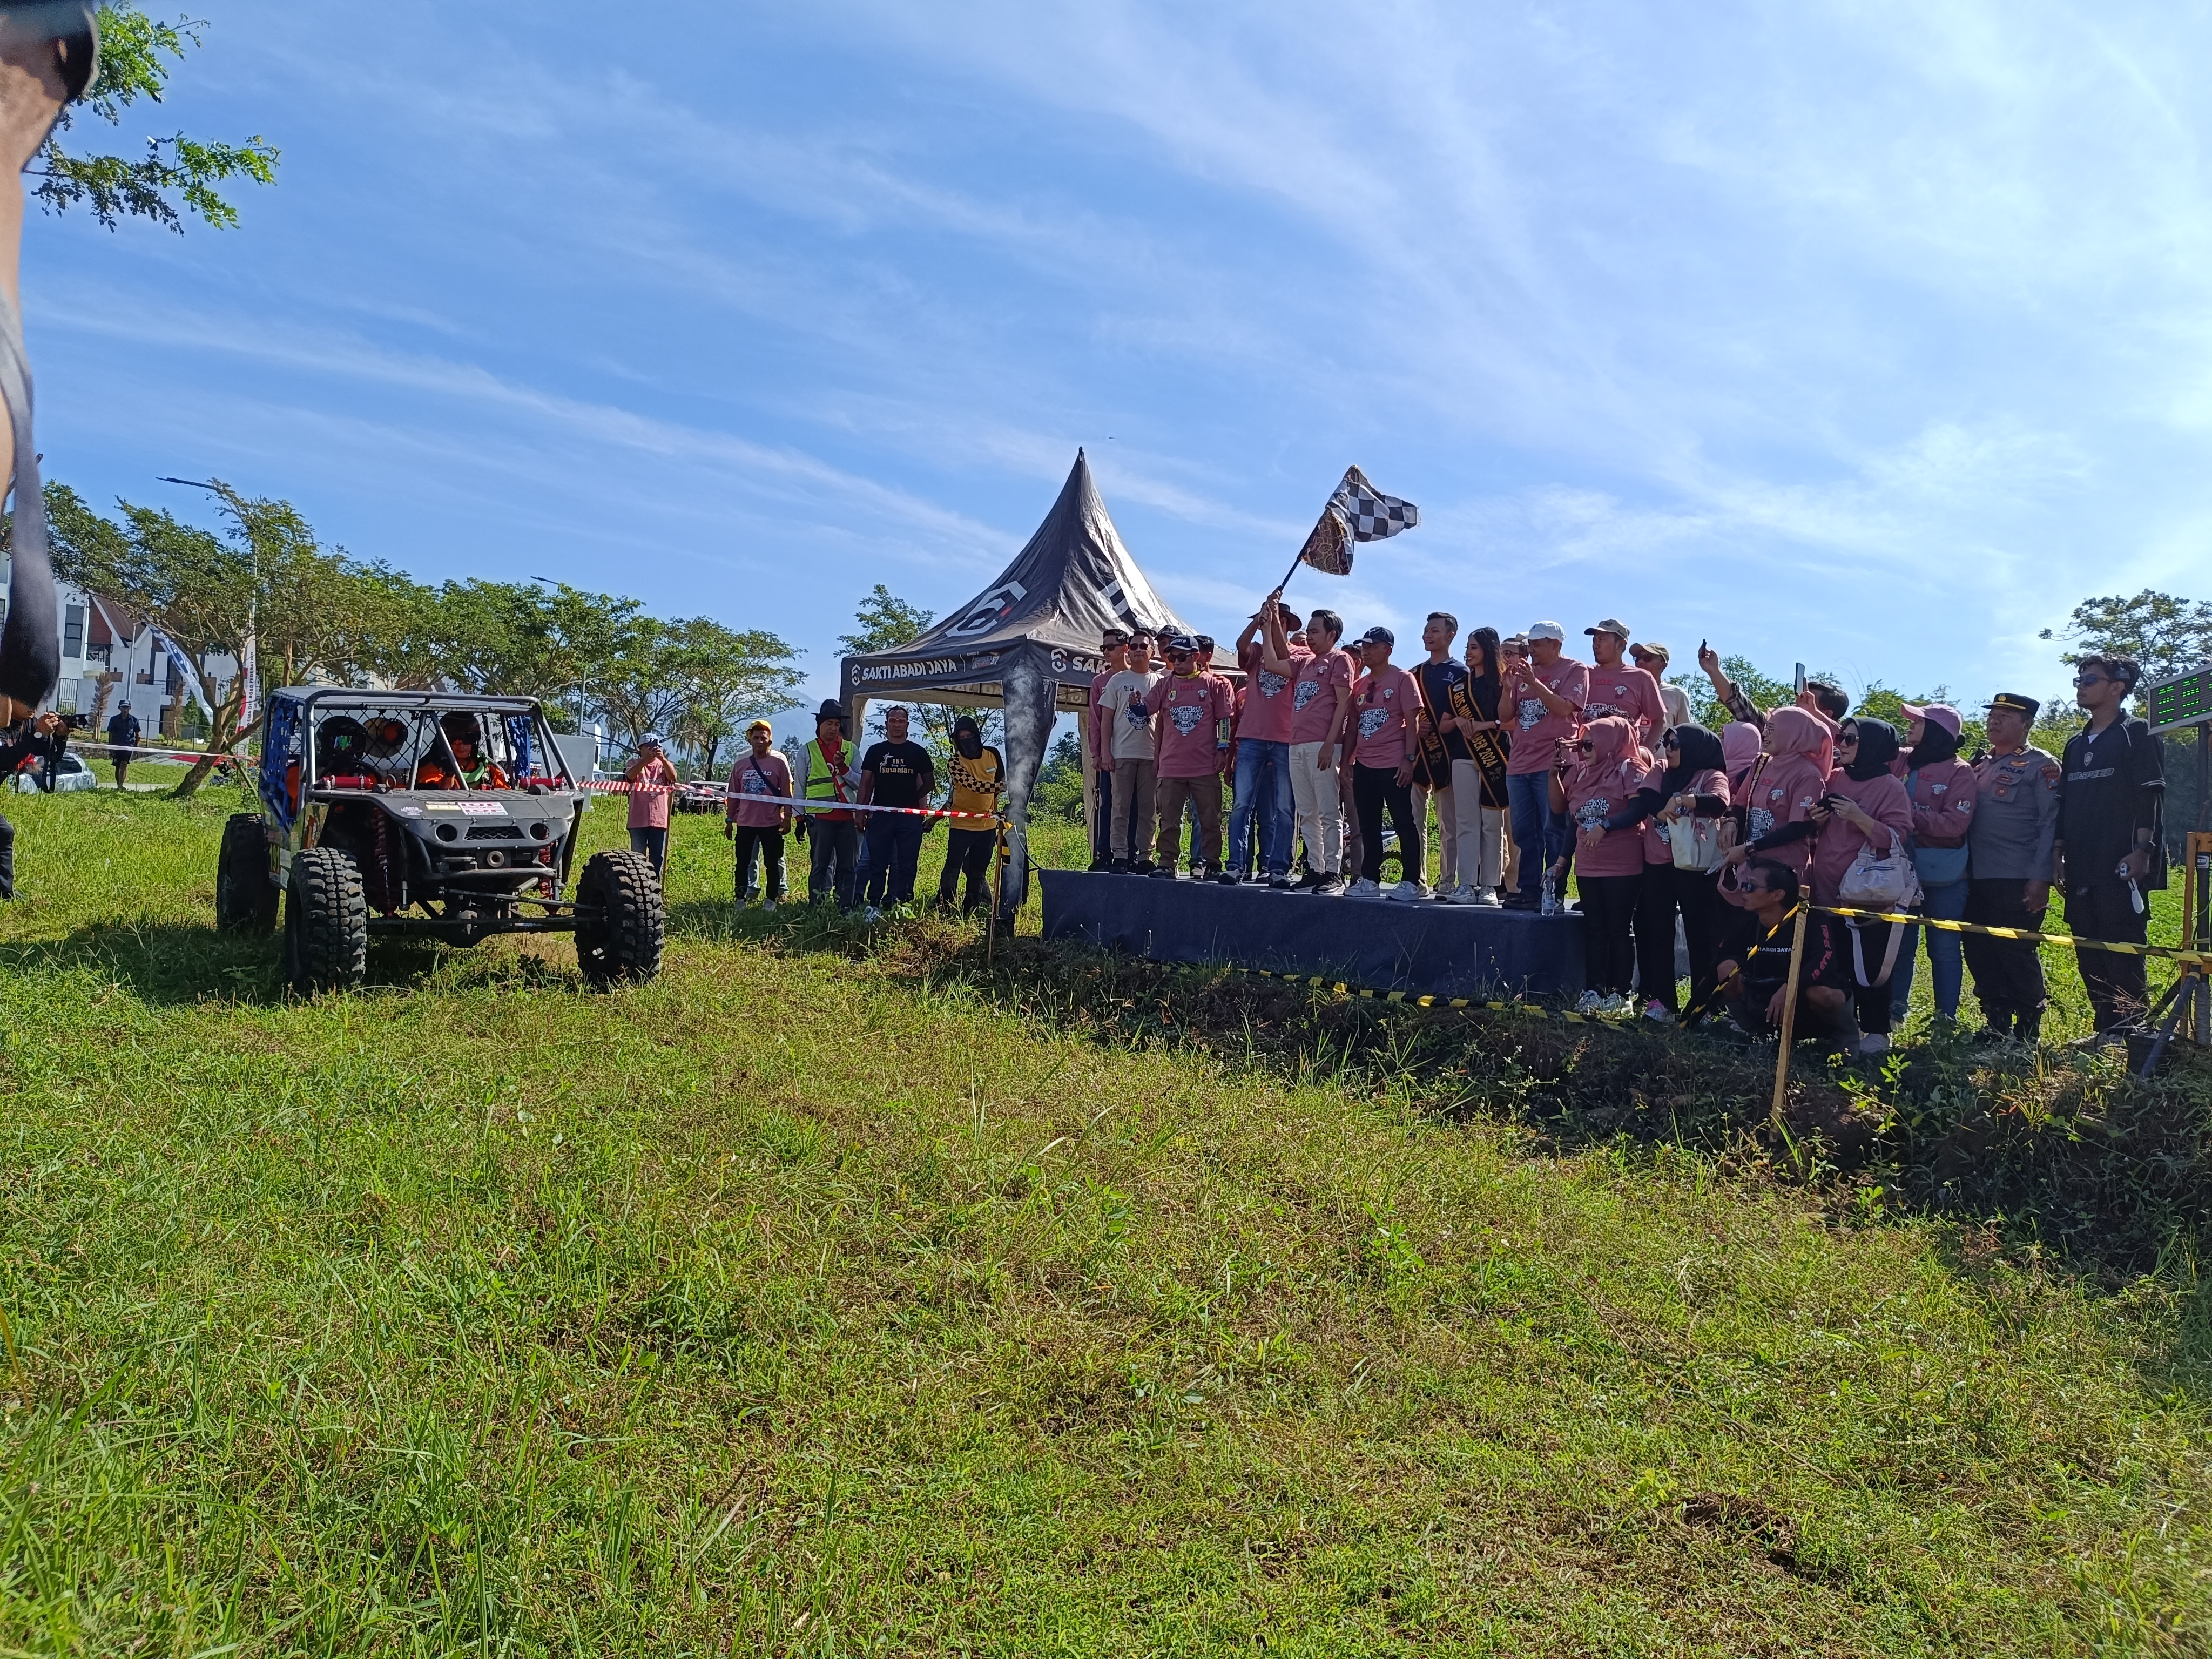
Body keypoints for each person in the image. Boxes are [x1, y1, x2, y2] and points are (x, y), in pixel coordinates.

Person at [2056, 655, 2166, 1037]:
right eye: (2080, 680)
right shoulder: (2074, 744)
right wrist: (2059, 853)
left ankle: (2131, 1030)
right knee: (2088, 949)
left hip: (2121, 863)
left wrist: (2143, 850)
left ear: (2117, 686)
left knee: (2123, 948)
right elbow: (2064, 803)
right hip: (2081, 864)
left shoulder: (2137, 732)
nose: (2081, 686)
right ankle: (2104, 1028)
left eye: (2090, 679)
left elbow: (2149, 797)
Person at [1803, 718, 1917, 1055]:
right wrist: (1817, 817)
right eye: (1841, 737)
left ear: (1872, 745)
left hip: (1867, 894)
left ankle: (1877, 1032)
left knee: (1868, 963)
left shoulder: (1890, 786)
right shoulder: (1835, 776)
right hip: (1826, 888)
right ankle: (1843, 1031)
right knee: (1833, 963)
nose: (1843, 744)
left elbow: (1897, 836)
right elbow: (1817, 825)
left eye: (1851, 738)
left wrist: (1859, 817)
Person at [1963, 693, 2059, 1044]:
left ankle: (2028, 1026)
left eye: (2006, 715)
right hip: (1975, 874)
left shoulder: (2041, 765)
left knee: (2015, 950)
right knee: (1979, 948)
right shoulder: (1979, 763)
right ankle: (1996, 1021)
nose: (1995, 720)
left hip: (2018, 875)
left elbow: (2051, 823)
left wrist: (2041, 877)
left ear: (2027, 723)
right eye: (1993, 714)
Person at [1554, 715, 1657, 1011]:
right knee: (1594, 929)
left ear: (1610, 742)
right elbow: (1573, 821)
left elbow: (1639, 810)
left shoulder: (1630, 767)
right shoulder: (1581, 773)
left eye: (1590, 744)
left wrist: (1607, 826)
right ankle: (1593, 991)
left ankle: (1620, 993)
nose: (1584, 749)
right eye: (1582, 743)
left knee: (1619, 929)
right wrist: (1562, 861)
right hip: (1589, 865)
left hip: (1622, 864)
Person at [1633, 724, 1732, 1022]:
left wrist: (1683, 800)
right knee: (1658, 932)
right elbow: (1646, 796)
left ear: (1694, 747)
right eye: (1666, 742)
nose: (1669, 749)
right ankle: (1662, 1001)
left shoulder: (1711, 775)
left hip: (1694, 866)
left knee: (1700, 934)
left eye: (1675, 744)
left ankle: (1703, 1005)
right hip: (1658, 862)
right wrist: (1662, 808)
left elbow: (1719, 803)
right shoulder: (1661, 768)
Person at [1887, 703, 1977, 1029]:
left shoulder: (1960, 771)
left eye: (1917, 721)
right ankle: (1894, 1012)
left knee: (1944, 948)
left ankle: (1945, 1020)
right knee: (1900, 944)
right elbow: (1855, 743)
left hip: (1945, 876)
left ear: (1937, 731)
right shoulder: (1901, 758)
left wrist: (1904, 812)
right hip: (1899, 871)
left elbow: (1955, 824)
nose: (1908, 724)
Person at [1715, 859, 1858, 1048]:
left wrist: (1790, 987)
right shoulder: (1746, 920)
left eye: (1751, 886)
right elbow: (1716, 967)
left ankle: (1845, 1035)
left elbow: (1826, 960)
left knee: (1823, 994)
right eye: (1744, 884)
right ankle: (1756, 1034)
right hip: (1765, 1000)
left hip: (1805, 999)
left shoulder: (1814, 919)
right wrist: (1689, 1019)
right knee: (1726, 968)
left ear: (1777, 895)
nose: (1743, 890)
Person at [1500, 622, 1589, 909]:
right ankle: (1528, 890)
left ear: (1556, 644)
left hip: (1553, 762)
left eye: (1537, 644)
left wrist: (1535, 683)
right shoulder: (1523, 673)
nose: (1532, 650)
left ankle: (1553, 892)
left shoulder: (1576, 670)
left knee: (1554, 829)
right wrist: (1507, 690)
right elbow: (1505, 716)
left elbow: (1565, 708)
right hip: (1519, 762)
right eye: (1530, 644)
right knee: (1525, 831)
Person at [1431, 625, 1512, 905]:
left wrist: (1485, 724)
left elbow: (1513, 722)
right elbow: (1443, 725)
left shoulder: (1504, 684)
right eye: (1467, 647)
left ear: (1489, 651)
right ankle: (1466, 884)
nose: (1468, 652)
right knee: (1466, 822)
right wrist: (1458, 722)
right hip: (1463, 757)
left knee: (1492, 822)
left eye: (1474, 647)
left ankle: (1489, 885)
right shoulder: (1457, 688)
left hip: (1495, 758)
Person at [1345, 625, 1425, 901]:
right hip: (1364, 764)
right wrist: (1346, 762)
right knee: (1369, 824)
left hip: (1393, 762)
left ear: (1387, 650)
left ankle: (1411, 881)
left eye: (1372, 646)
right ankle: (1370, 879)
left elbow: (1413, 721)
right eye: (1364, 646)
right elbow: (1353, 724)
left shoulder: (1403, 679)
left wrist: (1409, 759)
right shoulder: (1360, 685)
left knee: (1404, 822)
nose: (1366, 651)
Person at [1225, 595, 1299, 887]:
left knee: (1284, 807)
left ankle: (1278, 866)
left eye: (1279, 619)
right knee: (1242, 804)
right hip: (1252, 737)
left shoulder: (1300, 653)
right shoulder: (1256, 651)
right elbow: (1241, 646)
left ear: (1287, 625)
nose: (1272, 622)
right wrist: (1259, 620)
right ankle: (1236, 865)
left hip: (1285, 739)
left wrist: (1273, 627)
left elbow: (1282, 656)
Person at [1150, 634, 1232, 879]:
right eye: (1172, 656)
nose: (1176, 661)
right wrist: (1135, 705)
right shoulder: (1164, 685)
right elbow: (1146, 708)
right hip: (1171, 766)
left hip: (1204, 765)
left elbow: (1225, 720)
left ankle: (1213, 865)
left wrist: (1223, 749)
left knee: (1209, 820)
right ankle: (1167, 863)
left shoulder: (1214, 684)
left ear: (1196, 657)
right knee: (1169, 820)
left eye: (1182, 657)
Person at [1720, 706, 1832, 884]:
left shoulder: (1808, 775)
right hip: (1751, 866)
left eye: (1771, 729)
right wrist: (1732, 822)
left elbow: (1799, 828)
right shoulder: (1761, 762)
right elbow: (1742, 803)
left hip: (1782, 873)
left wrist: (1749, 848)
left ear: (1792, 733)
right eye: (1766, 727)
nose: (1765, 734)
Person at [1406, 611, 1474, 901]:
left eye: (1434, 630)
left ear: (1450, 635)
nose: (1427, 635)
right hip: (1417, 754)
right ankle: (1415, 878)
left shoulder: (1461, 672)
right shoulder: (1414, 673)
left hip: (1448, 753)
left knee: (1450, 823)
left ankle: (1447, 880)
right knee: (1413, 820)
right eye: (1426, 630)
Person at [1286, 607, 1353, 892]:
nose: (1309, 638)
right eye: (1309, 632)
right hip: (1297, 743)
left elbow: (1344, 702)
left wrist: (1330, 742)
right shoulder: (1306, 663)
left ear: (1332, 635)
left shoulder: (1340, 660)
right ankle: (1315, 868)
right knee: (1306, 811)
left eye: (1315, 632)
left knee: (1328, 811)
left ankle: (1333, 872)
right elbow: (1274, 661)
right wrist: (1270, 622)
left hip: (1323, 745)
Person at [858, 705, 935, 915]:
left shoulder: (918, 752)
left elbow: (930, 783)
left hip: (909, 817)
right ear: (887, 724)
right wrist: (860, 811)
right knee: (878, 861)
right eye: (893, 721)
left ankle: (904, 903)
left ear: (907, 725)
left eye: (901, 721)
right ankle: (874, 902)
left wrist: (913, 798)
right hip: (881, 816)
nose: (897, 725)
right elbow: (866, 784)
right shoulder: (876, 751)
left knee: (907, 863)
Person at [1097, 631, 1159, 872]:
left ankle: (1145, 856)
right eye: (1134, 646)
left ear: (1151, 652)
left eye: (1144, 646)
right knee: (1120, 807)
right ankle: (1120, 855)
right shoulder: (1116, 680)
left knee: (1148, 809)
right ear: (1128, 650)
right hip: (1122, 752)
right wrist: (1106, 752)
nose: (1138, 650)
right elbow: (1105, 720)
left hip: (1150, 754)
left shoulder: (1159, 682)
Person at [938, 714, 1004, 915]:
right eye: (961, 737)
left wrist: (1000, 795)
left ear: (977, 735)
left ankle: (971, 908)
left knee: (978, 871)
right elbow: (975, 786)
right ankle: (945, 907)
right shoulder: (954, 762)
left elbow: (999, 782)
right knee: (953, 867)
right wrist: (1006, 787)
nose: (966, 740)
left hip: (987, 825)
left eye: (969, 736)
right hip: (961, 825)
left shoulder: (992, 754)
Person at [724, 719, 792, 912]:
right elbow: (733, 795)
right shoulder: (741, 765)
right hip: (745, 823)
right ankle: (740, 899)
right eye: (756, 737)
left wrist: (787, 818)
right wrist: (729, 821)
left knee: (772, 863)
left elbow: (787, 793)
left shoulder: (779, 763)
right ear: (750, 740)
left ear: (770, 740)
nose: (760, 741)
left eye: (763, 737)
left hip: (771, 823)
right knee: (743, 863)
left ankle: (771, 900)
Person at [801, 699, 863, 910]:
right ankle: (817, 906)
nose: (833, 728)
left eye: (837, 724)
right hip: (820, 817)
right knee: (820, 865)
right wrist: (800, 818)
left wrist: (844, 768)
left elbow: (861, 782)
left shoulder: (851, 749)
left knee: (848, 866)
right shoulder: (807, 750)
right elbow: (799, 787)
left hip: (847, 817)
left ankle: (845, 906)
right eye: (829, 723)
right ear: (819, 724)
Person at [0, 711, 64, 899]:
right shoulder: (2, 724)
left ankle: (5, 891)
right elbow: (5, 758)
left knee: (4, 833)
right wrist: (38, 734)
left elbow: (51, 755)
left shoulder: (27, 725)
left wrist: (60, 736)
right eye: (28, 699)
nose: (33, 708)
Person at [1582, 618, 1666, 743]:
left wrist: (1643, 753)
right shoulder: (1582, 674)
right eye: (1594, 640)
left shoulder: (1641, 678)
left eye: (1602, 639)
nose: (1596, 645)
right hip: (1584, 760)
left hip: (1622, 760)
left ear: (1621, 645)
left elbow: (1659, 720)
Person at [1087, 629, 1128, 870]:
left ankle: (1130, 853)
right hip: (1108, 754)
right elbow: (1094, 719)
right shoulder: (1099, 682)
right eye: (1103, 648)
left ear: (1125, 648)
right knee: (1107, 804)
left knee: (1131, 805)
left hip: (1134, 752)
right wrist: (1097, 753)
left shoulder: (1139, 677)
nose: (1106, 652)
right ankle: (1104, 853)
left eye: (1110, 647)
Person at [622, 733, 679, 878]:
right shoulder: (634, 763)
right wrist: (644, 760)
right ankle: (637, 886)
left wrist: (664, 760)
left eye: (655, 747)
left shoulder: (664, 765)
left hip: (659, 820)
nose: (652, 750)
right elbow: (630, 777)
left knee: (657, 857)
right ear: (640, 748)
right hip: (638, 819)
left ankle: (655, 887)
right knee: (637, 856)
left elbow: (673, 777)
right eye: (647, 747)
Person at [419, 711, 511, 791]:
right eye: (455, 739)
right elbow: (436, 800)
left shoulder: (489, 769)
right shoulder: (431, 768)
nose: (461, 745)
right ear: (443, 740)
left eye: (469, 738)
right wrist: (449, 775)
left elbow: (507, 799)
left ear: (475, 741)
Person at [1631, 642, 1693, 731]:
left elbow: (1687, 733)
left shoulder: (1677, 695)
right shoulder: (1626, 691)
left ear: (1663, 665)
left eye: (1647, 658)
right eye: (1637, 658)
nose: (1640, 661)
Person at [105, 700, 138, 788]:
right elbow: (110, 733)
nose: (125, 709)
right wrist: (111, 747)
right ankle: (118, 785)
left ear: (130, 709)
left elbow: (138, 734)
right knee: (117, 766)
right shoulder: (114, 719)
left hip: (128, 746)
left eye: (127, 707)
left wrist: (136, 747)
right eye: (123, 707)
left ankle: (120, 786)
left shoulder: (134, 720)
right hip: (116, 745)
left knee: (124, 764)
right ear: (119, 708)